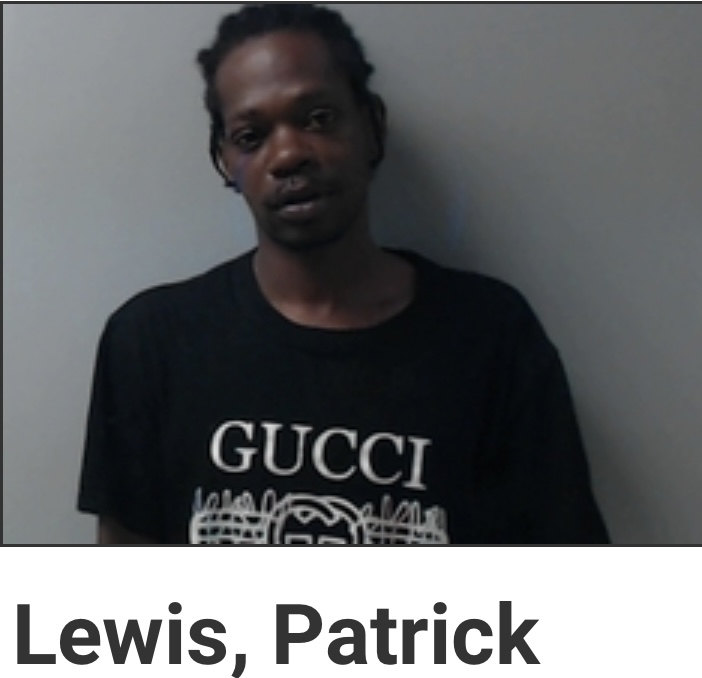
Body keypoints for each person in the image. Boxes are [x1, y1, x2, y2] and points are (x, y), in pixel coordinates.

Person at [77, 3, 609, 545]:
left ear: (373, 126)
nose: (288, 154)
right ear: (224, 161)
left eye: (318, 118)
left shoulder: (490, 335)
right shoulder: (151, 341)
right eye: (251, 136)